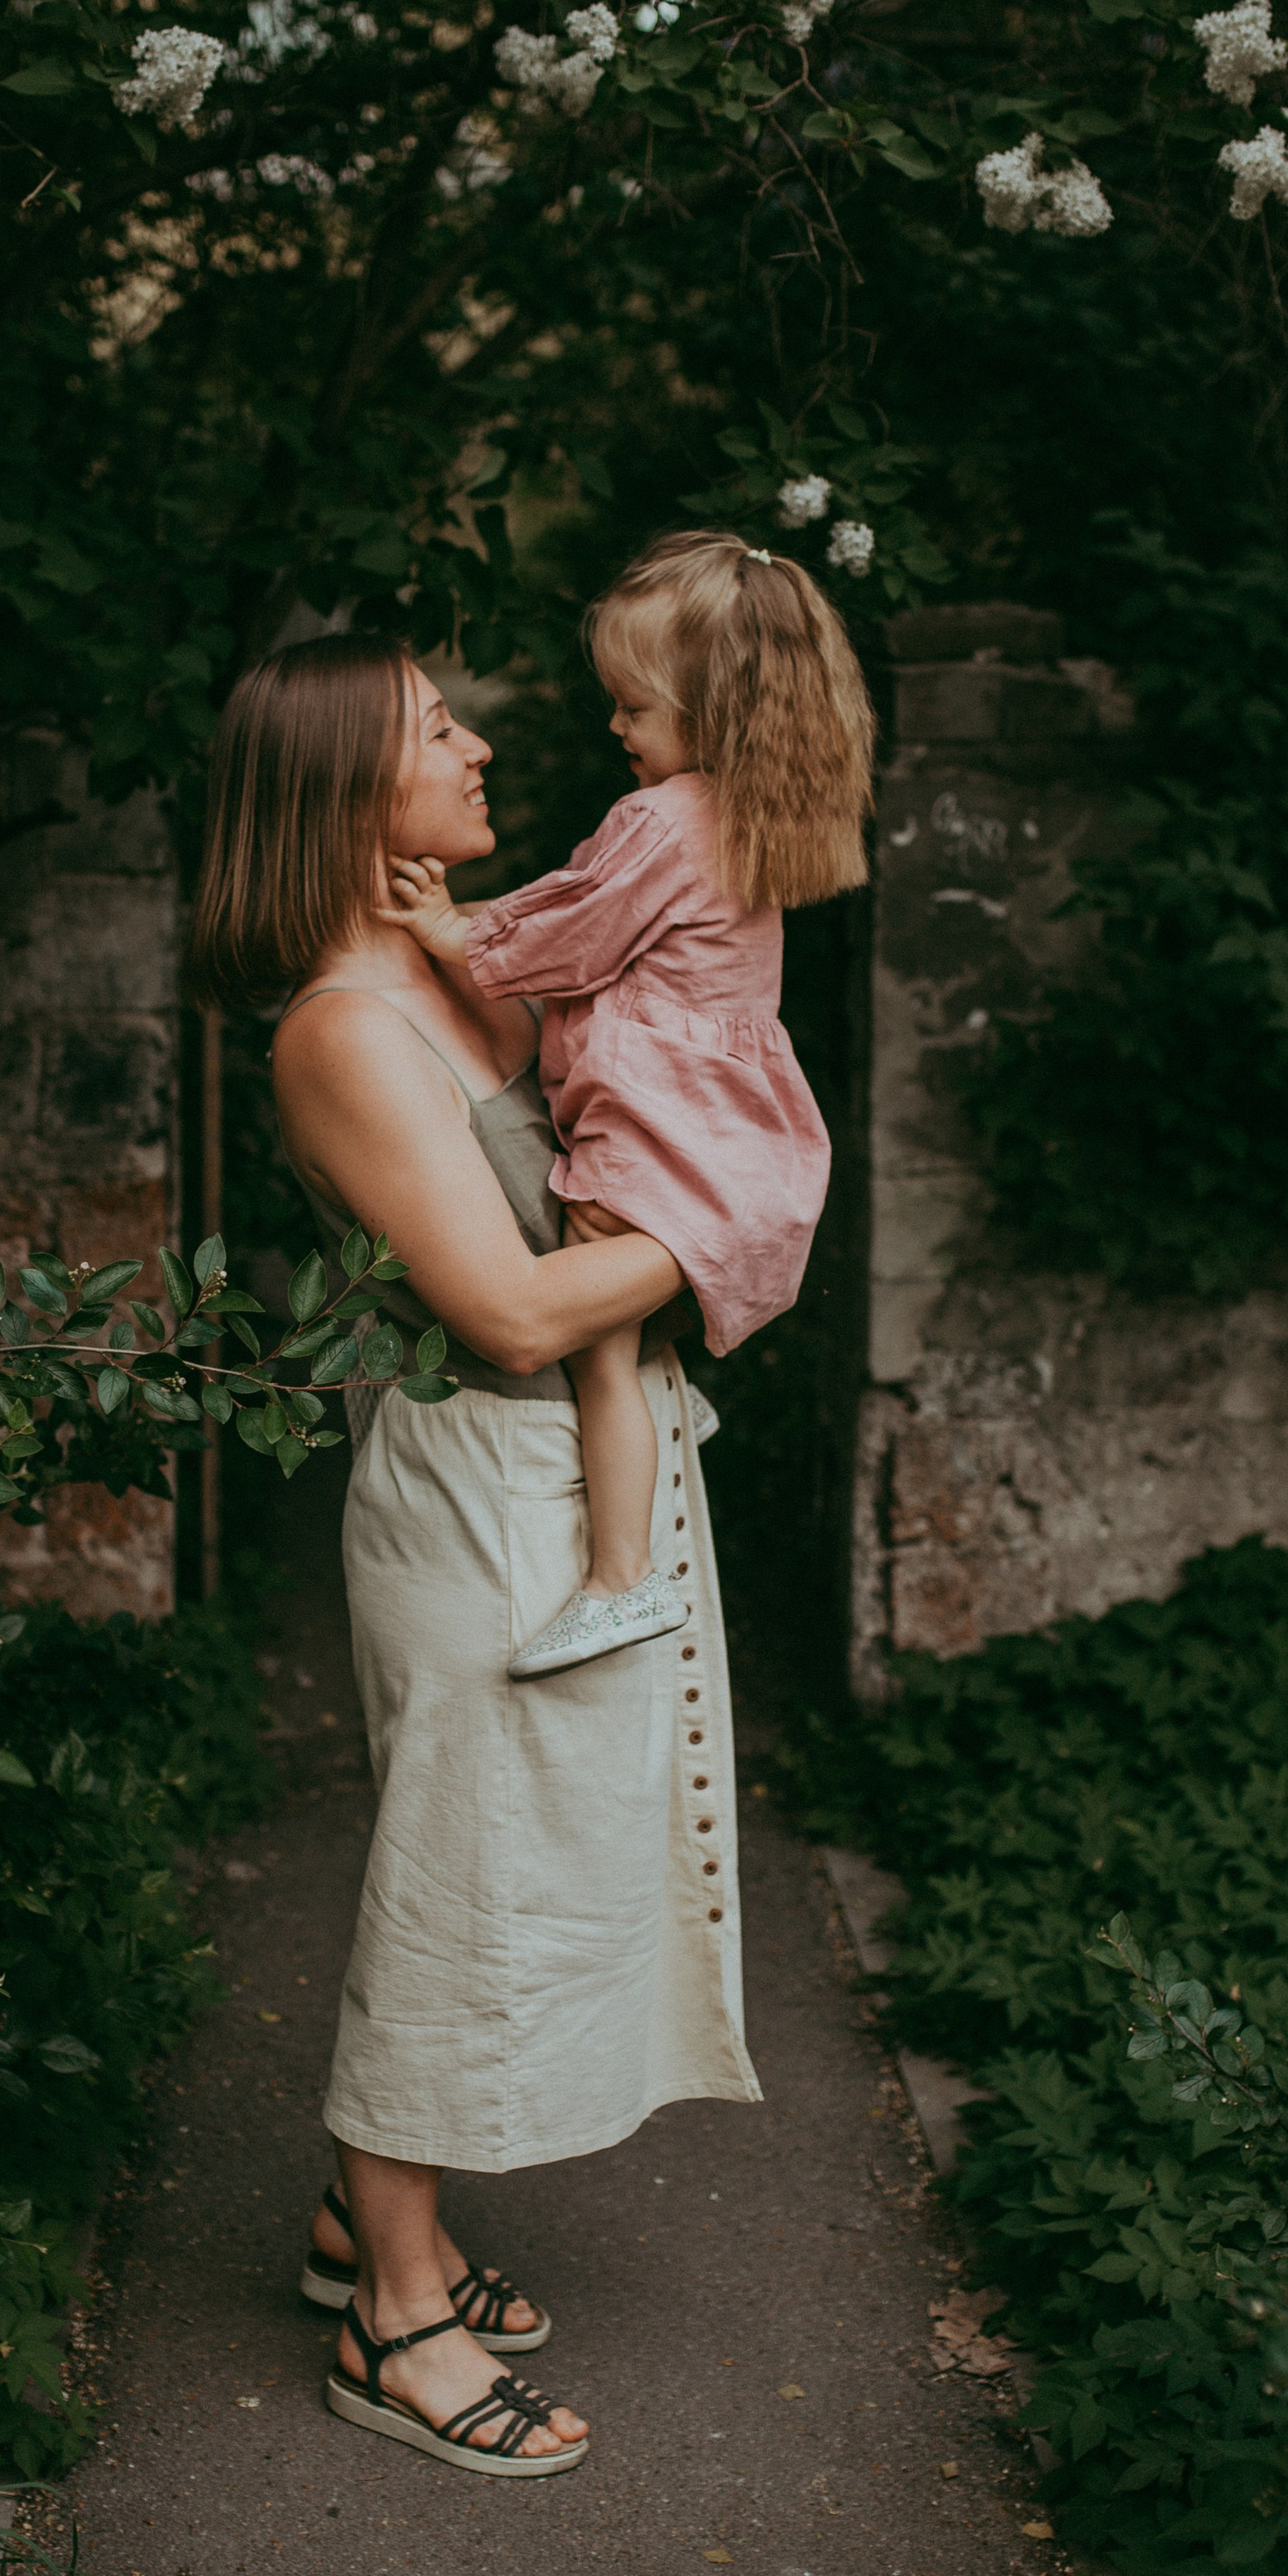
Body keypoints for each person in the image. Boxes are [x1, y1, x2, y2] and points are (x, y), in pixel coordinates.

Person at [184, 627, 764, 2478]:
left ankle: (368, 2221)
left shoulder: (480, 978)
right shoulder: (340, 1035)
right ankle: (394, 2320)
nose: (483, 742)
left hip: (579, 1479)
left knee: (528, 1867)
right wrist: (738, 1233)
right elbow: (512, 1312)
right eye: (440, 731)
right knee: (454, 1898)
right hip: (473, 1500)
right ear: (351, 792)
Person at [383, 529, 873, 1678]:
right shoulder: (746, 814)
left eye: (634, 709)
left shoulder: (664, 822)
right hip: (727, 1120)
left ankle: (618, 1579)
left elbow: (576, 927)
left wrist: (462, 935)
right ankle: (655, 1428)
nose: (616, 728)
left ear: (709, 714)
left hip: (665, 1123)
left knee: (594, 1348)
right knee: (624, 1340)